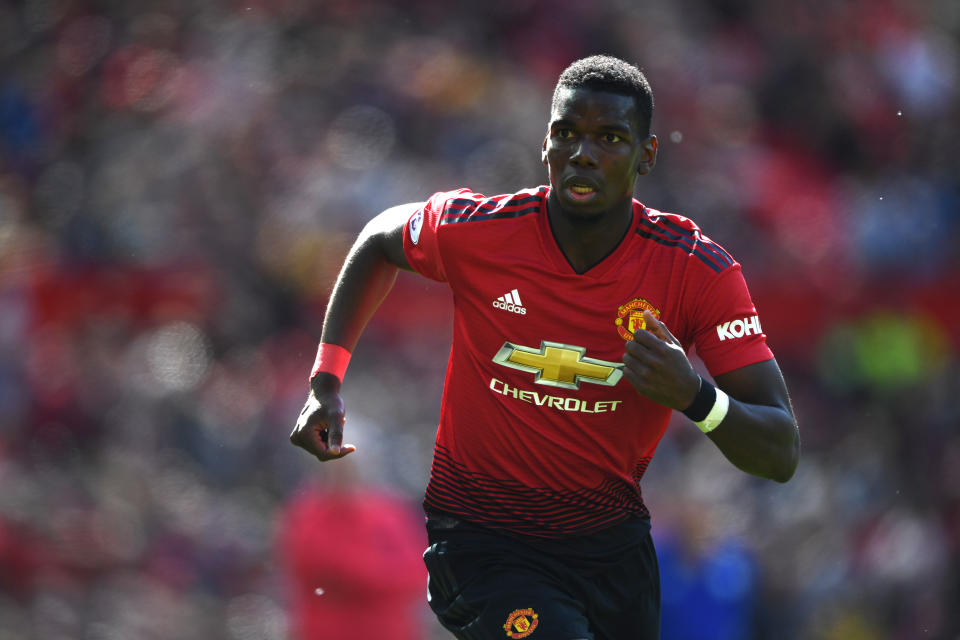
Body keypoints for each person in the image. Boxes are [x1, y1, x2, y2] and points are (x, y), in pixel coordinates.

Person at [289, 55, 800, 640]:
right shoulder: (478, 231)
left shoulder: (695, 271)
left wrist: (695, 395)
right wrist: (325, 382)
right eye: (567, 133)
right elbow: (378, 239)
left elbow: (780, 450)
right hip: (482, 540)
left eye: (610, 137)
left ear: (647, 155)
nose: (583, 153)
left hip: (612, 552)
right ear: (546, 145)